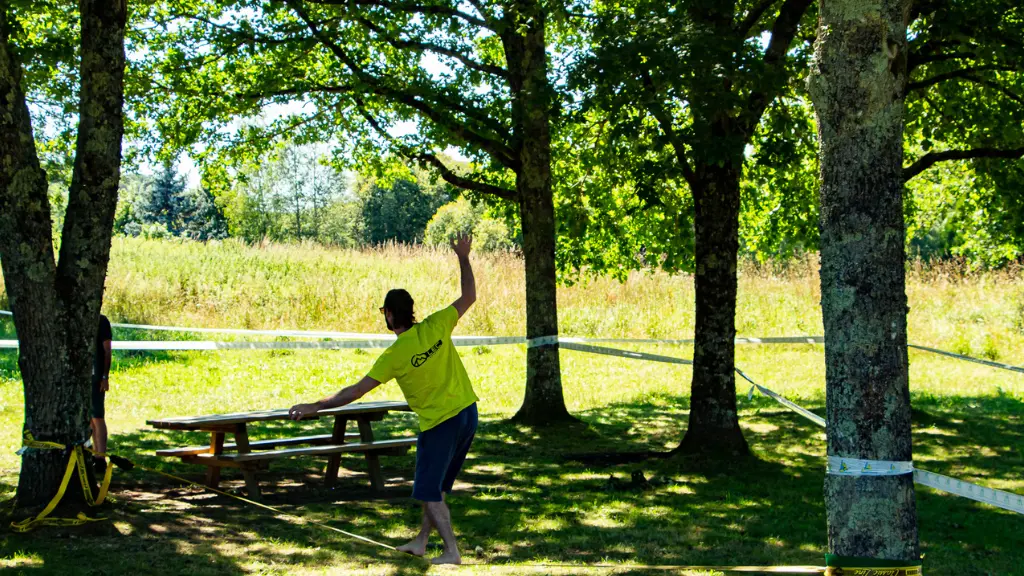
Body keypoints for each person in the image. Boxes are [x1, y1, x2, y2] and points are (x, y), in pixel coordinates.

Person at [289, 234, 479, 565]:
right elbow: (470, 296)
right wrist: (463, 257)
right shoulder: (436, 325)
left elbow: (355, 392)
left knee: (428, 490)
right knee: (436, 487)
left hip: (440, 423)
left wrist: (315, 406)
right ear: (412, 312)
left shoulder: (394, 355)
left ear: (391, 315)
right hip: (468, 414)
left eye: (384, 311)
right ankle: (421, 541)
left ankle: (451, 551)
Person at [92, 314, 113, 472]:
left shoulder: (102, 321)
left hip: (96, 376)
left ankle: (101, 456)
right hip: (82, 377)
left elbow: (107, 351)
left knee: (98, 416)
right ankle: (94, 453)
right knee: (89, 417)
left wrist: (104, 376)